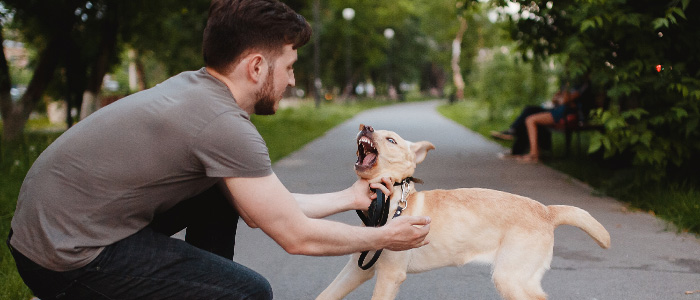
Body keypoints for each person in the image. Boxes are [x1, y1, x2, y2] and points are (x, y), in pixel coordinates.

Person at [6, 1, 431, 299]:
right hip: (65, 259)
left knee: (217, 194)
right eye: (289, 68)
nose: (293, 82)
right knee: (247, 292)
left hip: (50, 236)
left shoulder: (197, 89)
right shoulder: (223, 126)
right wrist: (384, 236)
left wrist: (348, 198)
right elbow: (294, 237)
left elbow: (266, 208)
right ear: (257, 67)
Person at [491, 74, 591, 163]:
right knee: (529, 110)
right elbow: (555, 99)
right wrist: (562, 98)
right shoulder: (570, 84)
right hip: (559, 111)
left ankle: (533, 154)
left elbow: (563, 100)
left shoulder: (582, 86)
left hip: (566, 115)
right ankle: (514, 135)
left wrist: (562, 98)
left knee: (530, 120)